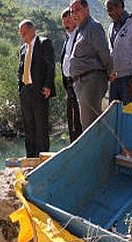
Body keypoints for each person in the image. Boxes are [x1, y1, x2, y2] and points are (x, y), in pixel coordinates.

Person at [69, 0, 112, 130]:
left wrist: (110, 71)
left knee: (91, 126)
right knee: (87, 124)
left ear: (87, 9)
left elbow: (103, 51)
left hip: (91, 81)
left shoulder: (93, 27)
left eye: (77, 9)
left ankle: (98, 151)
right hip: (82, 83)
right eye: (72, 11)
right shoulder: (80, 30)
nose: (74, 14)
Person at [17, 19, 55, 158]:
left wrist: (48, 86)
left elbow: (50, 66)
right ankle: (30, 157)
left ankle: (43, 159)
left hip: (39, 90)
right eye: (21, 34)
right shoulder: (23, 48)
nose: (23, 36)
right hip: (25, 91)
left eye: (25, 33)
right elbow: (20, 70)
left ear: (32, 30)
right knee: (28, 127)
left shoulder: (44, 43)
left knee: (41, 127)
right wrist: (20, 88)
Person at [61, 8, 83, 143]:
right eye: (63, 22)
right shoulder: (67, 38)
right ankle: (73, 146)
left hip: (80, 82)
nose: (66, 25)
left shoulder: (81, 35)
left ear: (75, 20)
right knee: (71, 120)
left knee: (79, 119)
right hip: (69, 85)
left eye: (68, 21)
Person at [105, 0, 132, 105]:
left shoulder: (130, 24)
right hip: (114, 78)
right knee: (115, 112)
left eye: (111, 9)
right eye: (107, 10)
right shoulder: (111, 26)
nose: (109, 13)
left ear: (120, 6)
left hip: (128, 79)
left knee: (129, 112)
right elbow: (111, 51)